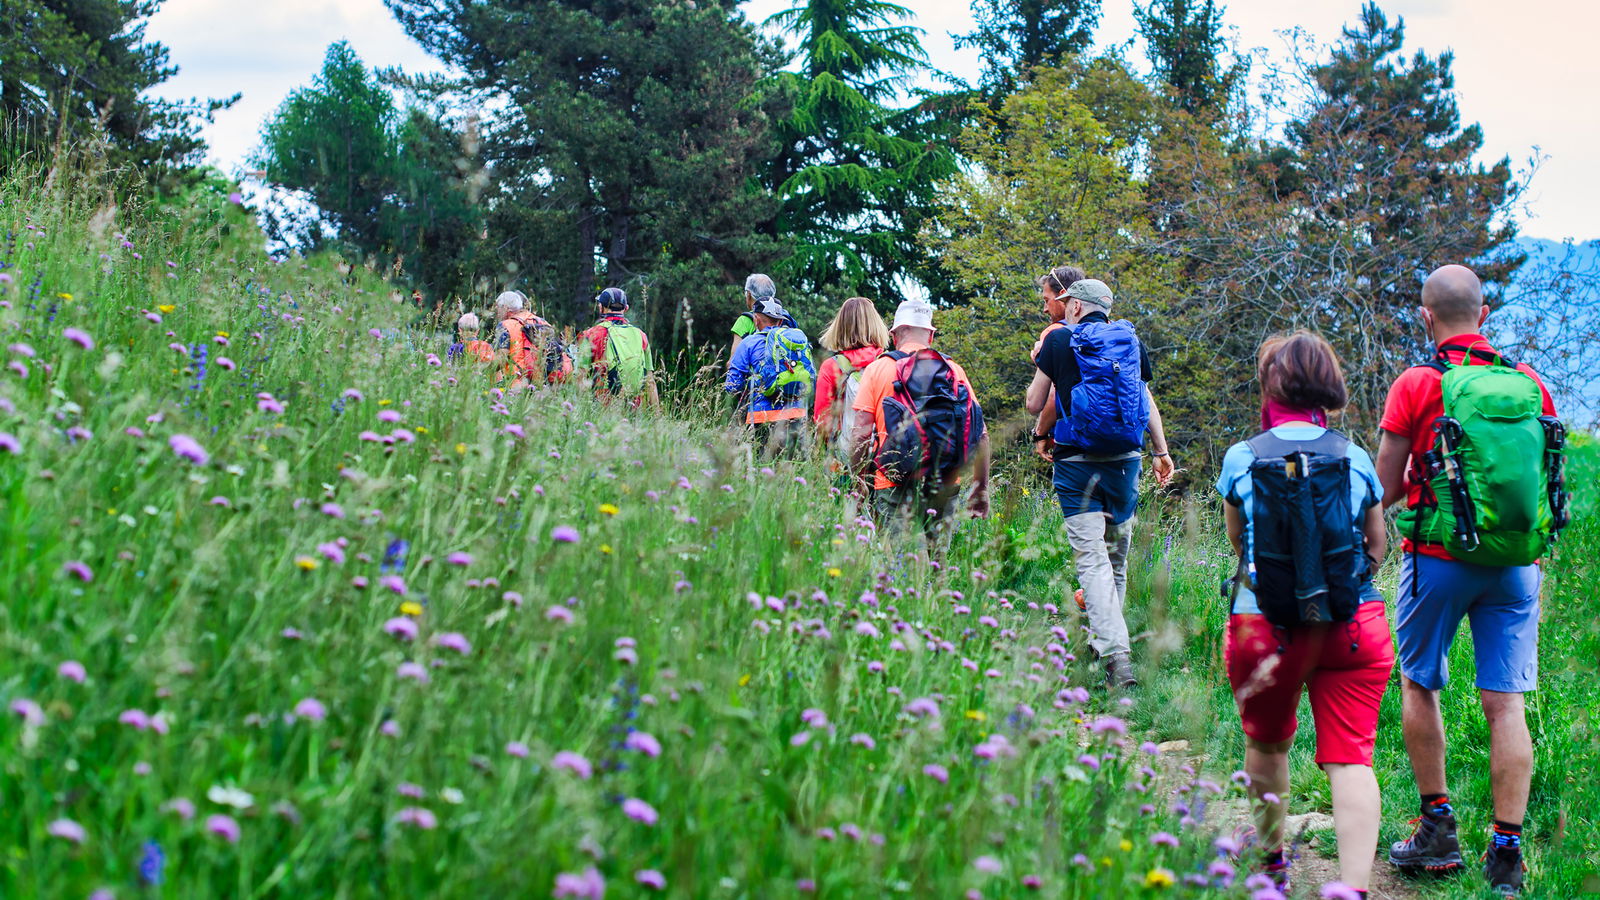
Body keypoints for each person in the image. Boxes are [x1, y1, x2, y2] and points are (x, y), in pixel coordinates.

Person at [1376, 265, 1561, 897]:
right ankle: (1506, 855)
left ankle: (1437, 829)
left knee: (1419, 681)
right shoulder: (1529, 384)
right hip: (1517, 566)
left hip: (1439, 558)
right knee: (1505, 703)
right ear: (1484, 315)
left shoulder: (1417, 384)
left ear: (1427, 317)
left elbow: (1387, 485)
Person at [1218, 332, 1393, 897]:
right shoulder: (1355, 457)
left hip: (1264, 626)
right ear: (1329, 384)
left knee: (1267, 745)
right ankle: (1355, 890)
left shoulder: (1243, 457)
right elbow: (1376, 545)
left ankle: (1272, 867)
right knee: (1350, 759)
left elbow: (1237, 545)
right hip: (1353, 625)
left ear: (1270, 383)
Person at [1023, 278, 1174, 689]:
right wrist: (1161, 451)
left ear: (1074, 306)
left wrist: (1041, 429)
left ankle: (1116, 658)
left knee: (1092, 561)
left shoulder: (1059, 342)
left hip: (1076, 463)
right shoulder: (1130, 341)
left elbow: (1037, 403)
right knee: (1116, 561)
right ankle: (1104, 643)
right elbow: (1144, 399)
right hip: (1127, 461)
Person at [849, 299, 990, 548]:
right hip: (945, 479)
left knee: (902, 563)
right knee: (939, 560)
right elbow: (982, 435)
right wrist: (981, 489)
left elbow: (860, 434)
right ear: (931, 335)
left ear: (894, 335)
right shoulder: (954, 371)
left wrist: (859, 481)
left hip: (893, 479)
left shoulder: (877, 369)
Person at [725, 297, 816, 456]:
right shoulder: (796, 341)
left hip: (762, 416)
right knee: (793, 470)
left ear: (756, 319)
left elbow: (732, 386)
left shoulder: (749, 343)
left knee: (763, 470)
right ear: (780, 321)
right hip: (796, 415)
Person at [813, 296, 891, 447]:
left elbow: (822, 422)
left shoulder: (832, 367)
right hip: (883, 455)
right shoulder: (887, 363)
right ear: (876, 325)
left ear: (839, 327)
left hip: (844, 455)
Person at [580, 287, 659, 408]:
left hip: (603, 407)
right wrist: (657, 416)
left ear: (601, 307)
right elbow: (650, 381)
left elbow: (580, 377)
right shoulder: (641, 335)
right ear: (626, 309)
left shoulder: (591, 334)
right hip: (634, 407)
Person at [492, 291, 570, 386]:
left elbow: (501, 358)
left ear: (505, 308)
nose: (496, 312)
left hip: (518, 383)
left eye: (498, 308)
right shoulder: (543, 322)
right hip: (546, 382)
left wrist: (485, 369)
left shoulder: (505, 325)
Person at [729, 274, 798, 365]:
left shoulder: (745, 320)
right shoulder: (785, 318)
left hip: (757, 378)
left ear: (749, 294)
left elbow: (733, 362)